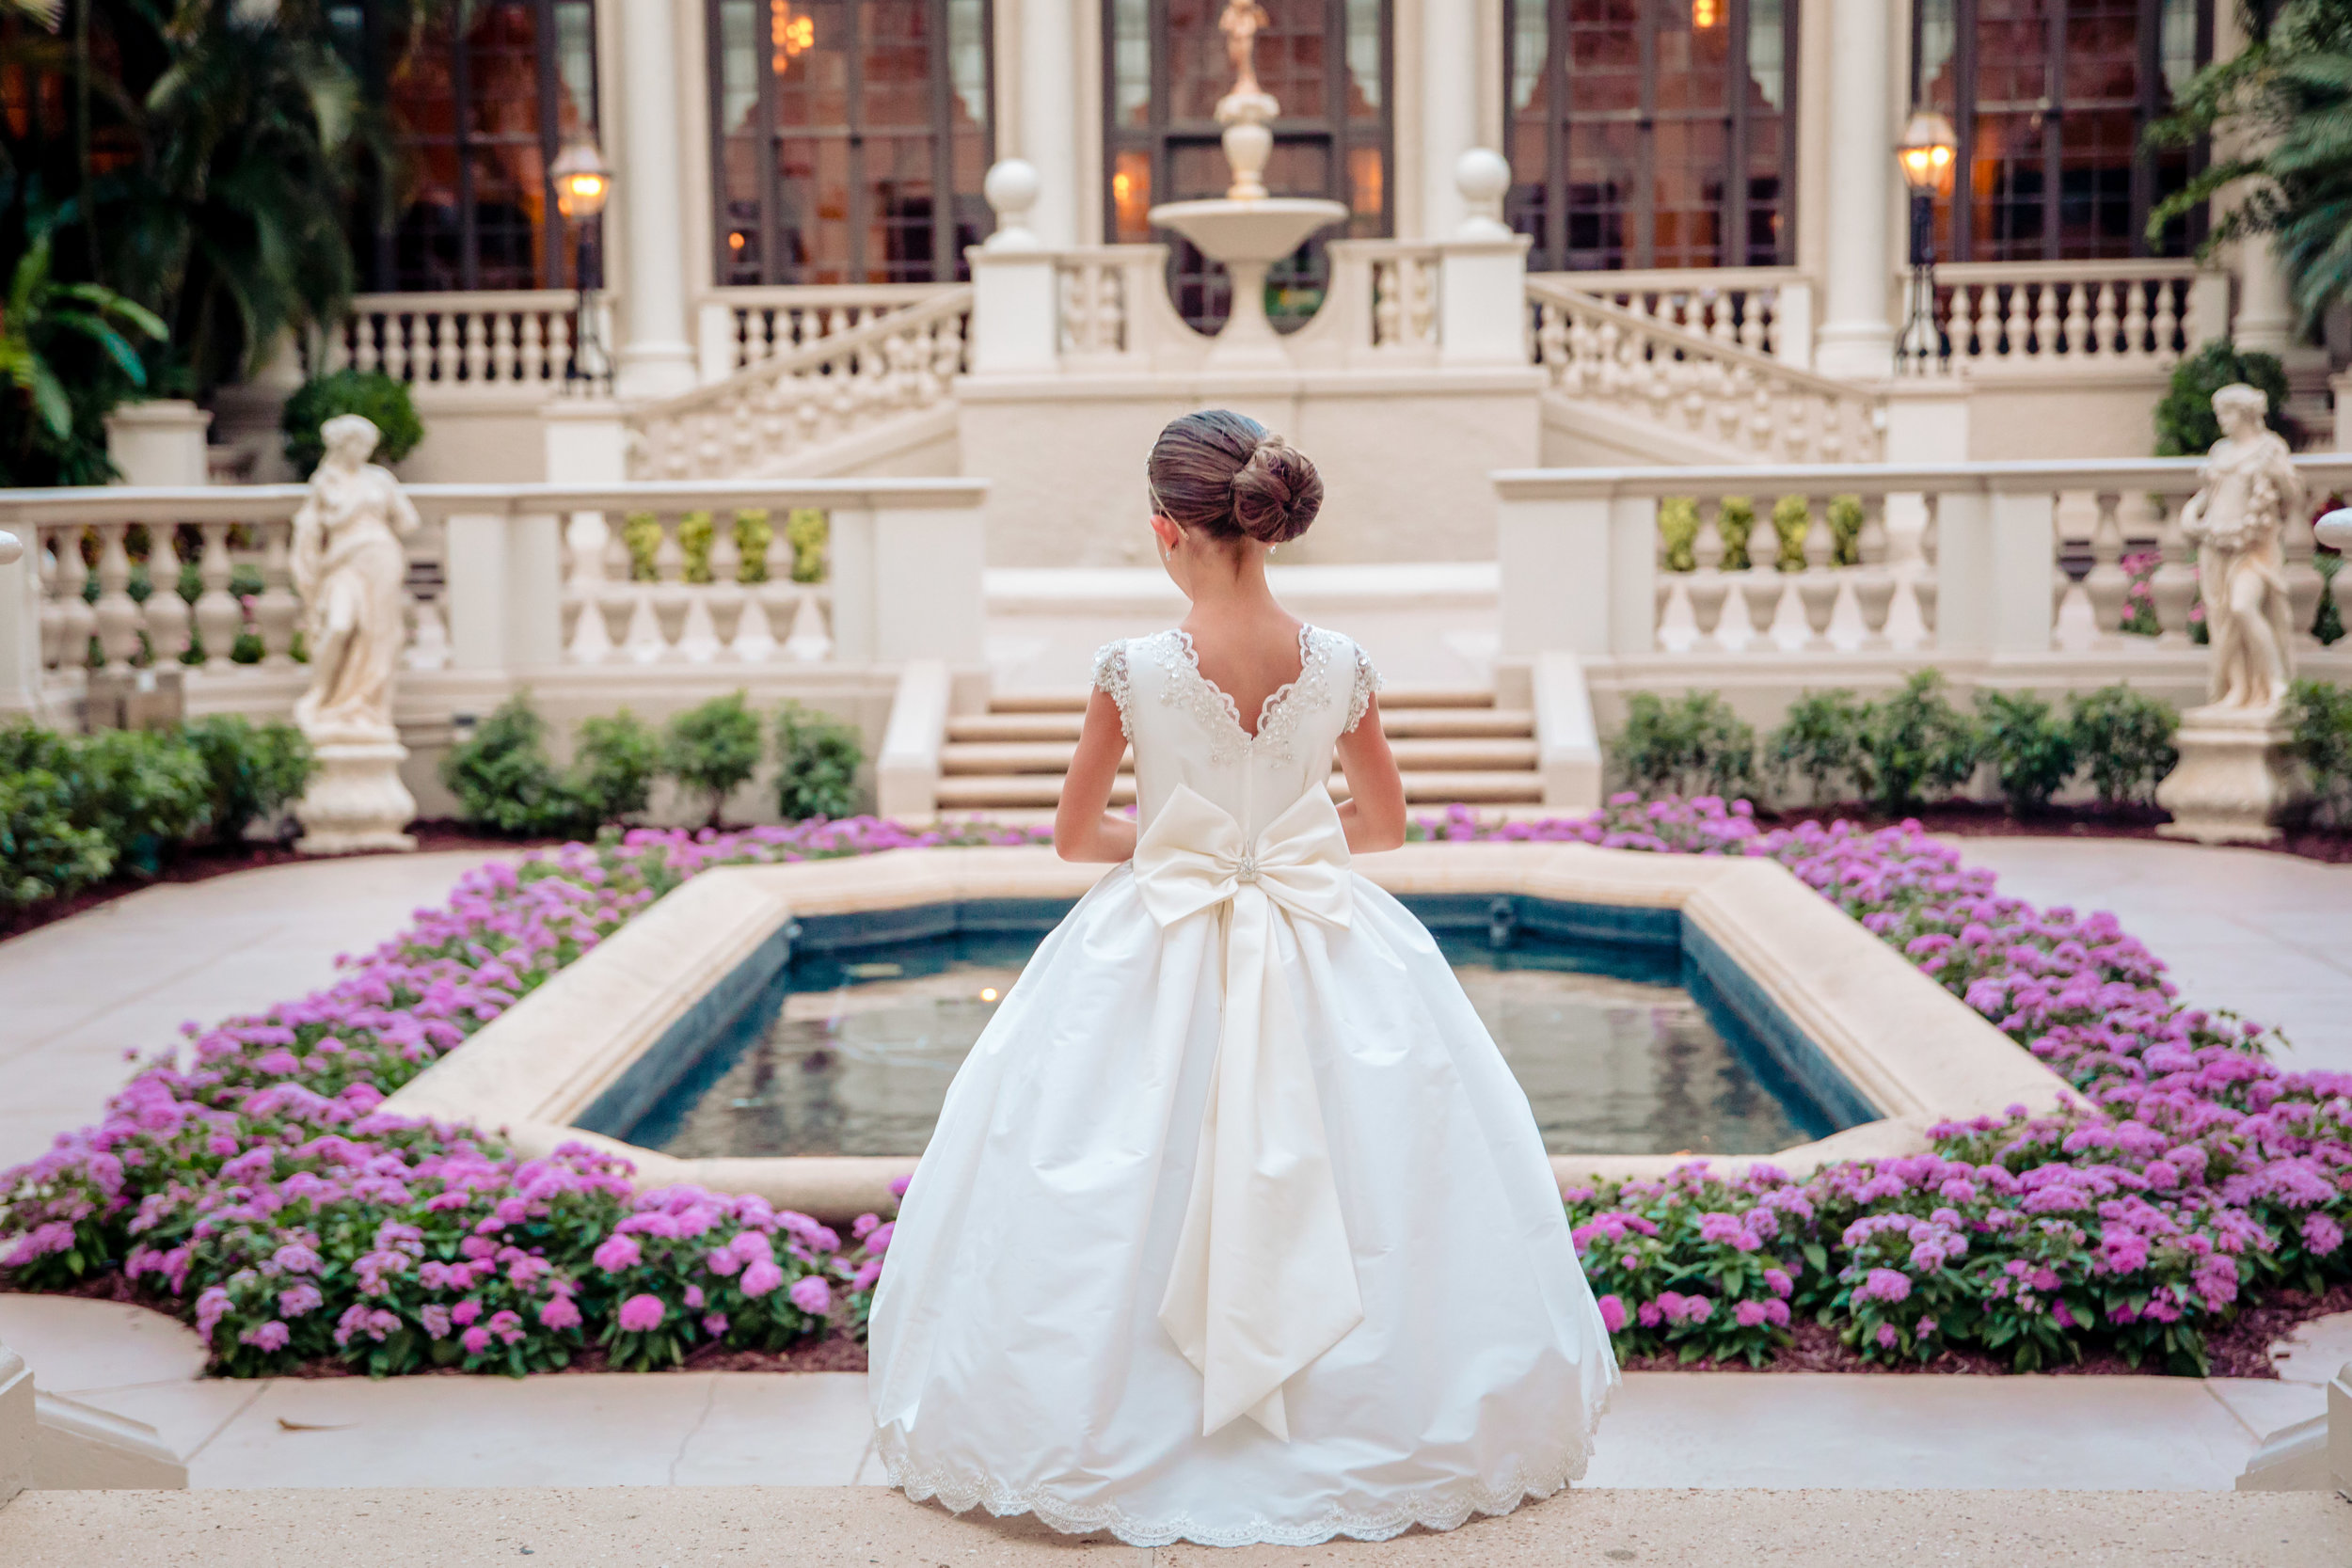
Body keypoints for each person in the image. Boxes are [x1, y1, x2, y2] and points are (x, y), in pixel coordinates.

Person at [867, 409, 1618, 1548]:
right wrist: (1282, 848)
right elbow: (1384, 825)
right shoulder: (1341, 663)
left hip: (1158, 936)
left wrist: (1180, 848)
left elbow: (1076, 836)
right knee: (1370, 1166)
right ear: (1266, 524)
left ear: (1166, 530)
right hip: (1328, 932)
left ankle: (1118, 1424)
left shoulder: (1136, 669)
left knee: (1112, 1167)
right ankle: (1366, 1417)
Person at [289, 413, 420, 744]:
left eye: (367, 444)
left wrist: (377, 512)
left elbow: (408, 522)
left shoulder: (379, 479)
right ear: (341, 445)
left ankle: (362, 703)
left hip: (381, 559)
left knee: (377, 634)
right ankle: (322, 694)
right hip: (343, 565)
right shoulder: (326, 481)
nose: (363, 450)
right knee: (339, 625)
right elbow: (315, 526)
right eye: (356, 443)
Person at [2178, 382, 2303, 713]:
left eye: (2226, 413)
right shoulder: (2220, 452)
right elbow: (2207, 497)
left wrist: (2279, 476)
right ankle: (2237, 690)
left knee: (2242, 606)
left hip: (2254, 548)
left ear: (2244, 413)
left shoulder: (2269, 448)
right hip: (2216, 545)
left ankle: (2277, 684)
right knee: (2223, 624)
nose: (2222, 421)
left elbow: (2292, 498)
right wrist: (2190, 515)